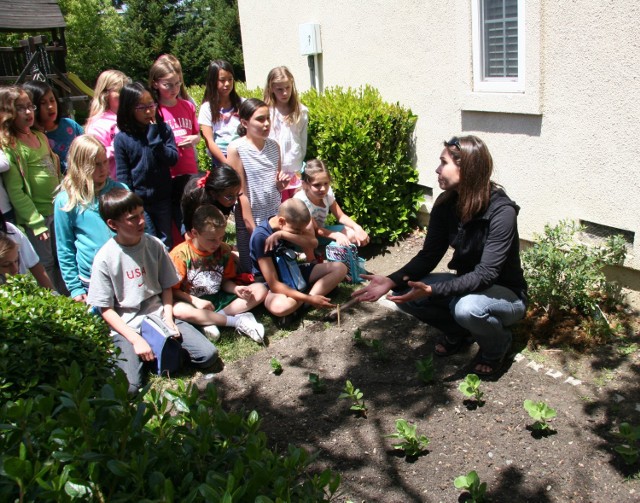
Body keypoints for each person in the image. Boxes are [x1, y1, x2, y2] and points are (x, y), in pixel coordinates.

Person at [353, 136, 527, 376]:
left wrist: (435, 290)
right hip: (470, 287)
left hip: (506, 295)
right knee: (405, 293)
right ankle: (459, 332)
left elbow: (487, 275)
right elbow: (429, 255)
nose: (437, 169)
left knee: (466, 308)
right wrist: (391, 281)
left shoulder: (502, 212)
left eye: (443, 163)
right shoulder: (447, 204)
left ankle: (496, 347)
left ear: (466, 168)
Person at [86, 188, 219, 394]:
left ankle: (158, 352)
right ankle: (146, 353)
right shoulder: (104, 258)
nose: (141, 221)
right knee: (129, 388)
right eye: (132, 218)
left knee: (208, 355)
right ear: (112, 224)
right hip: (127, 325)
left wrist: (168, 320)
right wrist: (135, 339)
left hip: (157, 315)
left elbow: (167, 286)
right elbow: (106, 309)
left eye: (141, 214)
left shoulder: (154, 244)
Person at [170, 204, 267, 343]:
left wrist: (236, 288)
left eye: (221, 237)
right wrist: (195, 301)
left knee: (260, 289)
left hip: (218, 300)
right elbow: (172, 291)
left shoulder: (224, 250)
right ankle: (235, 321)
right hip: (192, 302)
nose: (217, 243)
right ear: (195, 233)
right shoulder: (180, 255)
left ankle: (212, 321)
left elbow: (225, 281)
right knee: (178, 310)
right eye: (211, 239)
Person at [0, 86, 65, 293]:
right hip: (39, 217)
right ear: (7, 112)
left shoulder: (39, 136)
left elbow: (55, 170)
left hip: (57, 210)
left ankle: (72, 300)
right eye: (20, 108)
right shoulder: (12, 146)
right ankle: (56, 302)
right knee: (46, 264)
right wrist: (35, 222)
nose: (28, 112)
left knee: (62, 258)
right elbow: (16, 191)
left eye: (30, 106)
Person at [54, 135, 128, 301]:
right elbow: (64, 247)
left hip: (126, 271)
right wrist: (74, 287)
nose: (103, 169)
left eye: (105, 162)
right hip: (92, 279)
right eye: (96, 165)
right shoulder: (67, 201)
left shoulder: (120, 190)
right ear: (81, 166)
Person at [250, 198, 347, 324]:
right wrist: (309, 298)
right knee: (280, 307)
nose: (300, 234)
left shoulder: (289, 225)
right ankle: (309, 297)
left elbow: (313, 243)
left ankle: (300, 305)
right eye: (297, 231)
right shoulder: (261, 237)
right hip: (271, 284)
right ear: (281, 221)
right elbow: (274, 283)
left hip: (293, 272)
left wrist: (283, 235)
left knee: (341, 268)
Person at [227, 98, 290, 272]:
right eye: (260, 119)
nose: (266, 124)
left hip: (273, 215)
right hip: (250, 217)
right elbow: (240, 194)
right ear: (245, 123)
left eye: (268, 118)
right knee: (254, 272)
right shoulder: (236, 148)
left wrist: (281, 183)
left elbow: (275, 187)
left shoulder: (274, 146)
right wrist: (255, 231)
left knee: (278, 268)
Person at [114, 82, 178, 248]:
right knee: (148, 240)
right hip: (140, 202)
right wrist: (130, 203)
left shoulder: (162, 130)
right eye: (142, 107)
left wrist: (156, 142)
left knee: (166, 241)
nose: (149, 111)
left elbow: (172, 158)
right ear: (129, 109)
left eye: (151, 105)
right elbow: (123, 175)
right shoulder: (123, 138)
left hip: (163, 197)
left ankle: (166, 272)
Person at [149, 57, 200, 236]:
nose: (174, 89)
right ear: (155, 84)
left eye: (177, 84)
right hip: (168, 172)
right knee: (172, 220)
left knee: (191, 214)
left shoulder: (187, 106)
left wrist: (194, 139)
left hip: (188, 168)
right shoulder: (155, 110)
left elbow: (197, 134)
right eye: (168, 85)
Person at [295, 159, 370, 250]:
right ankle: (315, 256)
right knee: (340, 238)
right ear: (305, 184)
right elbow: (315, 230)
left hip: (321, 233)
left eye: (326, 183)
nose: (323, 188)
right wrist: (336, 235)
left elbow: (341, 216)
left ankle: (332, 254)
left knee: (352, 233)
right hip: (304, 239)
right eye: (317, 185)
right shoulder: (301, 201)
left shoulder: (327, 194)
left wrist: (358, 228)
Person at [264, 66, 308, 201]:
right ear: (271, 88)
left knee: (296, 208)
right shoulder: (266, 111)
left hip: (294, 167)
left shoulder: (301, 111)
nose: (284, 93)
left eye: (287, 88)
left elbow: (302, 140)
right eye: (280, 89)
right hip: (273, 170)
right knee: (278, 209)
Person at [22, 80, 83, 174]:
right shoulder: (34, 138)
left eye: (52, 100)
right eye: (43, 103)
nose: (50, 106)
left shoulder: (70, 124)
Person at [85, 70, 130, 179]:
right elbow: (96, 156)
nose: (123, 96)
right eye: (119, 91)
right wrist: (119, 146)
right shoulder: (98, 124)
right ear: (105, 94)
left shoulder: (128, 117)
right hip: (113, 183)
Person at [198, 60, 243, 166]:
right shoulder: (207, 108)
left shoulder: (242, 103)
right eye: (222, 80)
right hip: (220, 159)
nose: (227, 84)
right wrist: (226, 162)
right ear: (212, 82)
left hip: (242, 155)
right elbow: (209, 140)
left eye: (230, 79)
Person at [1, 211, 55, 289]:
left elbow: (34, 264)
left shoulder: (10, 230)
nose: (15, 270)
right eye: (6, 265)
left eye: (17, 261)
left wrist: (52, 292)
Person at [181, 164, 242, 232]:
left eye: (237, 194)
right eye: (230, 196)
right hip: (178, 198)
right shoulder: (194, 195)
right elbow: (187, 221)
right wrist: (188, 231)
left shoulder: (227, 199)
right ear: (213, 194)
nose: (235, 200)